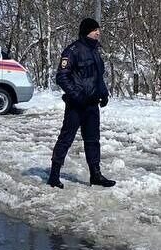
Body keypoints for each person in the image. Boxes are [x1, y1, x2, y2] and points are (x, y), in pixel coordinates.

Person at [47, 17, 116, 189]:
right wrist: (77, 96)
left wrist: (104, 94)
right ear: (87, 32)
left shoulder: (95, 51)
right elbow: (61, 77)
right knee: (66, 139)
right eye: (95, 30)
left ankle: (96, 175)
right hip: (76, 105)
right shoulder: (72, 51)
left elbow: (98, 78)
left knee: (93, 141)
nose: (98, 32)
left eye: (98, 30)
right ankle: (54, 175)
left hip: (92, 104)